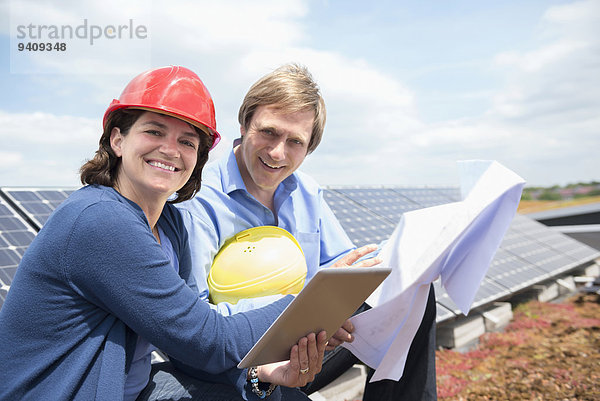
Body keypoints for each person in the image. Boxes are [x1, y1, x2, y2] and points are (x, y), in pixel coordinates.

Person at [0, 66, 329, 401]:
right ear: (117, 139)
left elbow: (187, 347)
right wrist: (310, 306)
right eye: (155, 132)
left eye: (187, 141)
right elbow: (208, 340)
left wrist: (260, 377)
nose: (171, 150)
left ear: (197, 158)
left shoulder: (170, 225)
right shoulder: (100, 221)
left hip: (135, 388)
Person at [176, 63, 438, 400]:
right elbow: (195, 319)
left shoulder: (306, 192)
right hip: (245, 360)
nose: (277, 152)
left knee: (410, 290)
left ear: (309, 148)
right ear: (243, 125)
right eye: (268, 132)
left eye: (295, 141)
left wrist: (410, 257)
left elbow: (346, 265)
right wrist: (300, 310)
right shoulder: (197, 202)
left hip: (312, 342)